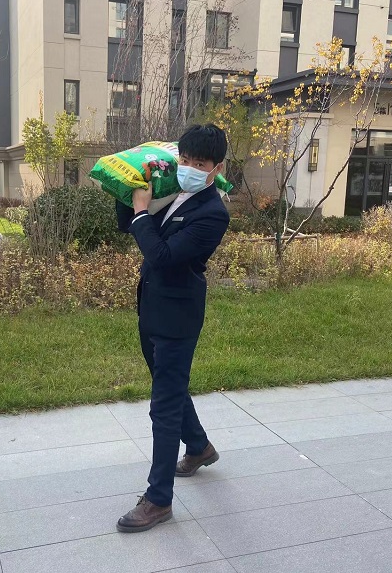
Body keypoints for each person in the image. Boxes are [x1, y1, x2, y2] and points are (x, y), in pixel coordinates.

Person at [115, 124, 231, 533]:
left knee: (163, 405)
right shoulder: (172, 192)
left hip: (177, 320)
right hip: (152, 308)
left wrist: (141, 213)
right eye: (185, 159)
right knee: (171, 386)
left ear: (217, 168)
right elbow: (130, 226)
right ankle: (198, 447)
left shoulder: (212, 213)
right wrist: (130, 194)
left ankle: (158, 500)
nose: (189, 167)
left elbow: (161, 256)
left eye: (199, 163)